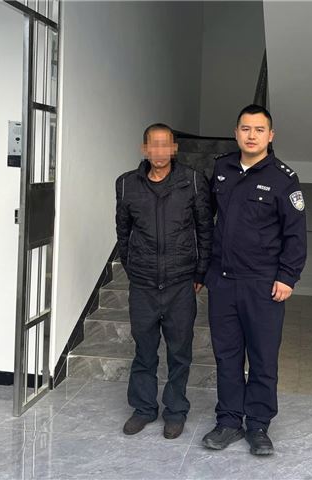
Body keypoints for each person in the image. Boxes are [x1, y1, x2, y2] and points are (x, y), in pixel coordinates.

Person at [201, 105, 307, 455]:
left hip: (263, 285)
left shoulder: (283, 178)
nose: (251, 135)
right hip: (223, 282)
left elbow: (296, 234)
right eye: (245, 128)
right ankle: (229, 421)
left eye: (259, 130)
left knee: (263, 358)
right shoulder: (222, 169)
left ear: (270, 135)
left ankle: (259, 425)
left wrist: (287, 277)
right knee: (227, 356)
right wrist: (204, 270)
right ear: (236, 133)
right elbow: (207, 221)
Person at [115, 123, 212, 439]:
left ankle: (176, 410)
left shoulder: (192, 181)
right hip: (143, 284)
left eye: (165, 144)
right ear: (144, 149)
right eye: (153, 145)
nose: (159, 151)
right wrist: (133, 268)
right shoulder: (127, 184)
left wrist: (200, 271)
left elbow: (205, 229)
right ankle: (143, 408)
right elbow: (123, 232)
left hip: (180, 283)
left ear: (174, 149)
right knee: (144, 350)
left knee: (179, 352)